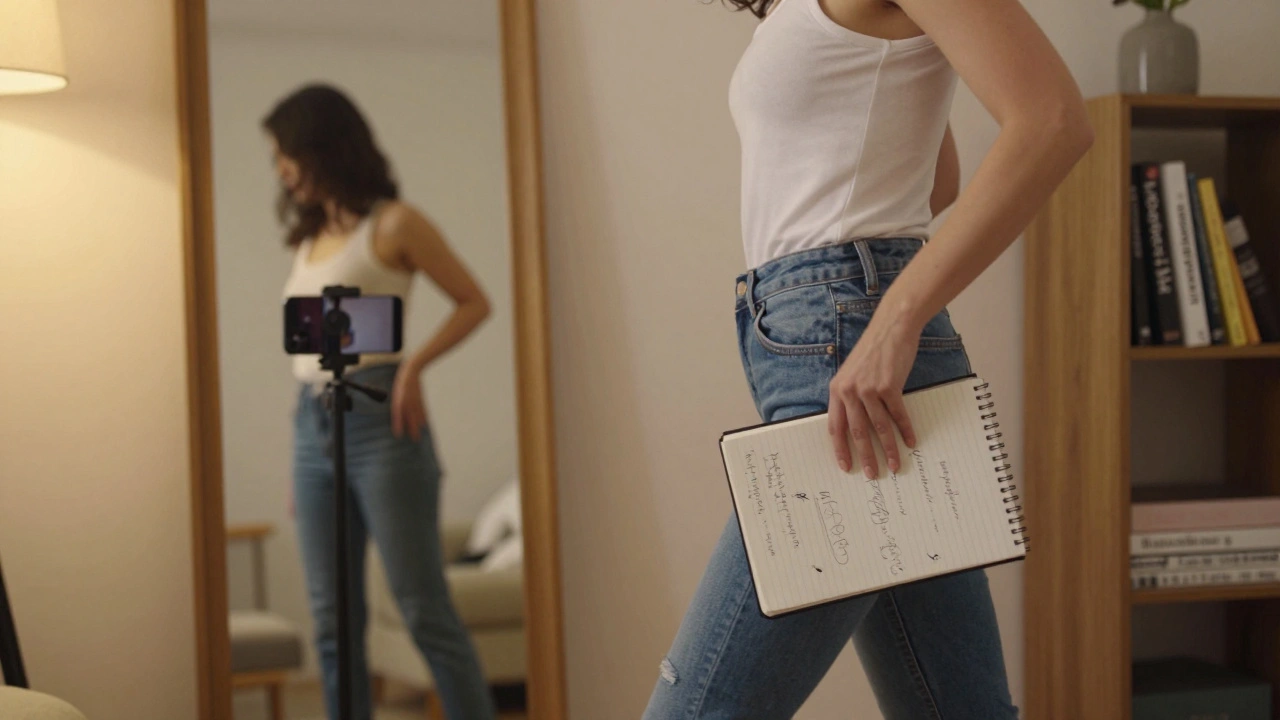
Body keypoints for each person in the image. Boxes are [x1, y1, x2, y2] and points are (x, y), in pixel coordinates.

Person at [643, 0, 1092, 717]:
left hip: (845, 336)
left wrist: (895, 318)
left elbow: (1052, 121)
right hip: (817, 332)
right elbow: (929, 178)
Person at [268, 83, 497, 720]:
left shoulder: (395, 223)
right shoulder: (305, 240)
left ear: (324, 147)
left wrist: (414, 364)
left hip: (380, 423)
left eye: (288, 154)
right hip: (311, 428)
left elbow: (475, 300)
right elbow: (307, 354)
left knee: (423, 607)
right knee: (331, 619)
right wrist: (300, 449)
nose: (282, 172)